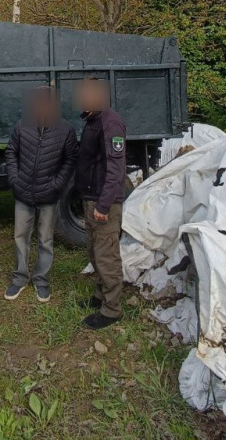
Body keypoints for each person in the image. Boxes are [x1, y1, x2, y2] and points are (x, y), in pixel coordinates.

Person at [3, 86, 78, 304]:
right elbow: (11, 152)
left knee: (45, 239)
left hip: (49, 195)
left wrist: (57, 185)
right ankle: (19, 278)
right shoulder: (22, 126)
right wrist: (15, 180)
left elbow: (70, 159)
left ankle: (41, 280)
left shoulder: (65, 130)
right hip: (23, 193)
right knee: (20, 237)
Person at [74, 77, 127, 330]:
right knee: (95, 251)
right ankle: (100, 295)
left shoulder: (110, 122)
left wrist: (104, 205)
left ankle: (112, 309)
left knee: (106, 255)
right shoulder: (92, 120)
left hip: (103, 202)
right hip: (90, 197)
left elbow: (115, 168)